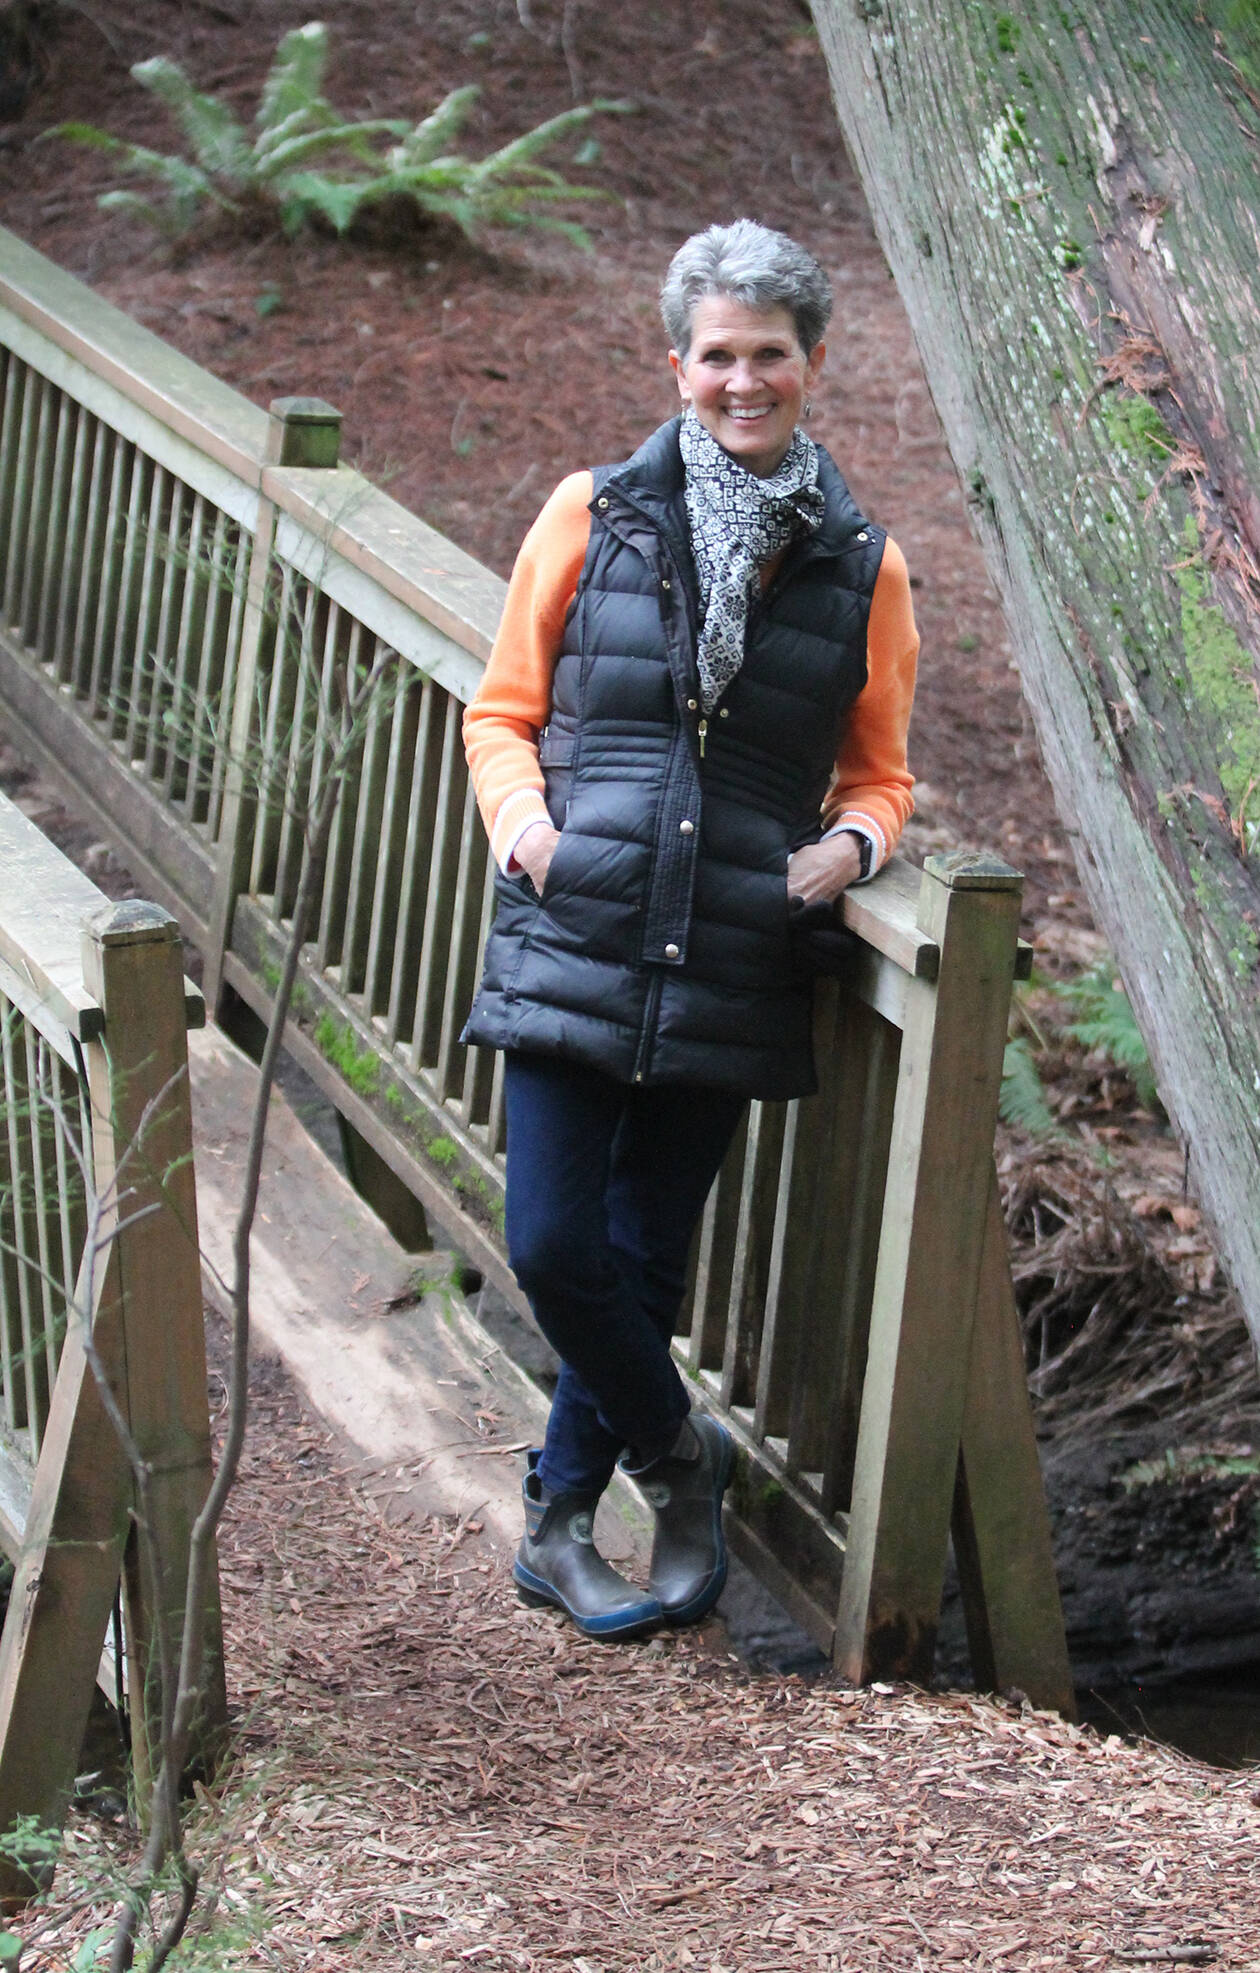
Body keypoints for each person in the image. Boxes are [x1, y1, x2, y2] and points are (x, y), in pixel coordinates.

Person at [461, 219, 918, 1641]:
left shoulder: (865, 567)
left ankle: (554, 1520)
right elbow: (501, 711)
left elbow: (883, 774)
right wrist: (531, 833)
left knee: (646, 1254)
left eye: (767, 354)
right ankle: (679, 1453)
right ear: (677, 365)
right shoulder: (589, 512)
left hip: (732, 952)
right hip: (575, 927)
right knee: (551, 1240)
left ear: (811, 363)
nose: (741, 380)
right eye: (715, 354)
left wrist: (844, 855)